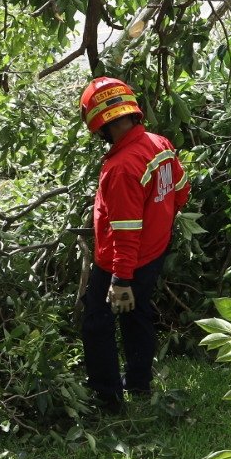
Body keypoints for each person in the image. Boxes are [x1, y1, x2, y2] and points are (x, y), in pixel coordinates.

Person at [78, 76, 191, 412]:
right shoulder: (160, 143)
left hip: (122, 261)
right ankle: (139, 385)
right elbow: (181, 191)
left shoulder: (121, 168)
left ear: (97, 123)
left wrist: (119, 280)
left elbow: (125, 232)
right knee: (137, 314)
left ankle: (108, 399)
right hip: (153, 252)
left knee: (97, 323)